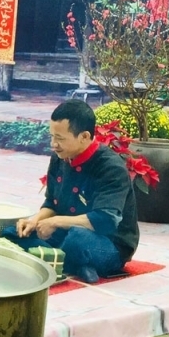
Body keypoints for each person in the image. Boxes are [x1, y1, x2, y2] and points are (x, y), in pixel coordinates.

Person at [8, 99, 139, 283]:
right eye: (52, 137)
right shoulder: (59, 158)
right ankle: (74, 265)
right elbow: (51, 203)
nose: (53, 144)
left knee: (76, 239)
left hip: (108, 243)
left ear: (84, 136)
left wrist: (56, 222)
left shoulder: (110, 167)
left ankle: (56, 260)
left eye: (60, 139)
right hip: (65, 231)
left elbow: (105, 220)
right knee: (12, 232)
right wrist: (34, 221)